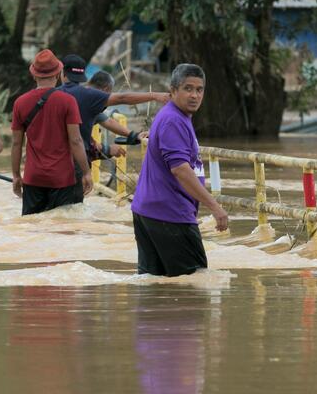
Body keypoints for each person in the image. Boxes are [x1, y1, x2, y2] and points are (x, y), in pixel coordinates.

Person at [130, 63, 229, 277]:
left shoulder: (174, 117)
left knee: (155, 287)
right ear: (173, 91)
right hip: (170, 215)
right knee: (195, 285)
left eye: (199, 89)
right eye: (188, 88)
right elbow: (181, 170)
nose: (194, 95)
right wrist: (214, 206)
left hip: (150, 211)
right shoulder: (173, 121)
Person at [58, 54, 170, 201]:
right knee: (71, 213)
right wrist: (154, 95)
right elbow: (122, 98)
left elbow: (107, 121)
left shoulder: (52, 95)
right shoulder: (88, 97)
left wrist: (132, 135)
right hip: (75, 164)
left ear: (62, 73)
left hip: (48, 162)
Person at [10, 49, 92, 215]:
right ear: (58, 74)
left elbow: (16, 143)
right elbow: (75, 141)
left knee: (32, 231)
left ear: (34, 75)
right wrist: (86, 173)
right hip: (62, 178)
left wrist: (16, 175)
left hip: (33, 178)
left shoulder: (20, 103)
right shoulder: (68, 102)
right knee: (60, 231)